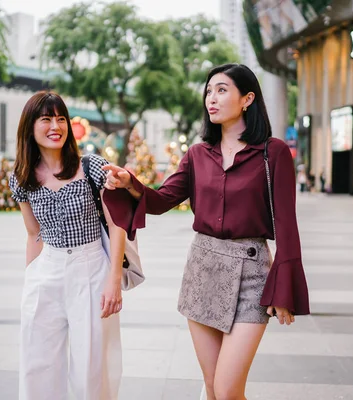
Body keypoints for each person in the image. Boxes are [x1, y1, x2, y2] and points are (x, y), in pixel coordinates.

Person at [102, 64, 310, 400]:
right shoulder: (198, 154)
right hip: (203, 269)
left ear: (247, 99)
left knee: (228, 390)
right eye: (209, 91)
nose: (211, 98)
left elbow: (287, 222)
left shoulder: (274, 153)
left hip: (252, 273)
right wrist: (131, 184)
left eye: (222, 90)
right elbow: (161, 200)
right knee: (213, 388)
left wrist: (285, 286)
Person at [9, 91, 126, 400]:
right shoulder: (21, 177)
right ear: (30, 127)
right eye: (46, 119)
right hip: (46, 270)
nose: (55, 126)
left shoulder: (91, 167)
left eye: (61, 118)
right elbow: (33, 233)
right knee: (38, 363)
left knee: (92, 366)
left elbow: (117, 226)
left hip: (90, 269)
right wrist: (31, 281)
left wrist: (113, 281)